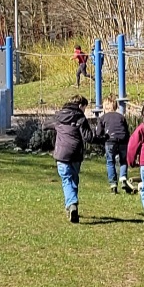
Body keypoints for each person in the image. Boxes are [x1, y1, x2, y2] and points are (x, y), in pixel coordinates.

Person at [52, 94, 94, 223]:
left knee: (66, 179)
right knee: (74, 180)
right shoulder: (80, 117)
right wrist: (102, 138)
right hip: (75, 153)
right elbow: (88, 137)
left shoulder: (59, 116)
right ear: (80, 105)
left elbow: (45, 125)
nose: (84, 111)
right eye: (85, 108)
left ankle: (71, 204)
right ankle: (72, 205)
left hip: (61, 154)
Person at [95, 96, 134, 194]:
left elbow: (98, 133)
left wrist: (102, 138)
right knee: (123, 161)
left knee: (110, 162)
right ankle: (123, 177)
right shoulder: (121, 117)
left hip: (110, 140)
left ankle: (113, 184)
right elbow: (126, 130)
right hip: (123, 140)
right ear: (116, 107)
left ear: (104, 108)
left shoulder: (103, 118)